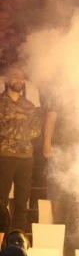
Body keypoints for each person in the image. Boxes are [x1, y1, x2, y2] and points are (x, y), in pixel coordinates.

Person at [0, 63, 41, 231]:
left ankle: (17, 237)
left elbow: (36, 129)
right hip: (5, 155)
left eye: (22, 78)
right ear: (7, 79)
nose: (19, 80)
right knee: (1, 200)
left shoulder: (29, 105)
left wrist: (13, 131)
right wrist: (21, 132)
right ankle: (1, 236)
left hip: (26, 157)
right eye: (15, 76)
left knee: (22, 202)